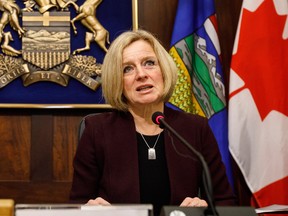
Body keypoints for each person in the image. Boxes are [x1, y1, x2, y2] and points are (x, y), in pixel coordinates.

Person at [69, 29, 236, 215]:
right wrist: (89, 210)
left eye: (149, 63)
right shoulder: (97, 130)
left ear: (164, 70)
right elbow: (78, 204)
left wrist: (201, 210)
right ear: (117, 80)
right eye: (127, 69)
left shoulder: (195, 129)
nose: (141, 74)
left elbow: (223, 201)